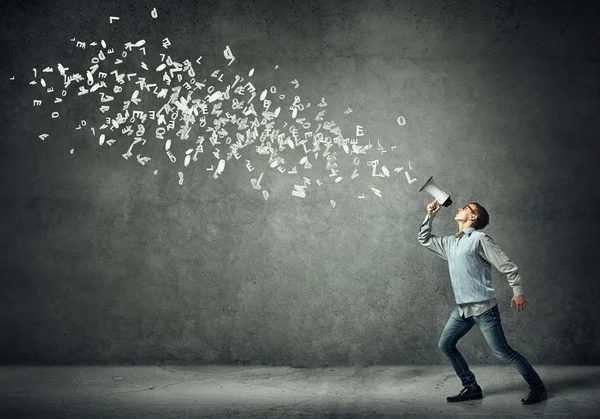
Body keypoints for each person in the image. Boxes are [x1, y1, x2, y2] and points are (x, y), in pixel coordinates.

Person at [417, 199, 547, 405]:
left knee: (504, 353)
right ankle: (471, 388)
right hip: (462, 311)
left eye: (465, 208)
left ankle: (538, 388)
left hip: (485, 310)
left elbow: (508, 266)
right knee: (446, 345)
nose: (459, 208)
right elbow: (423, 239)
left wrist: (518, 291)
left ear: (473, 217)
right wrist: (430, 216)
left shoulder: (480, 239)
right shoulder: (451, 243)